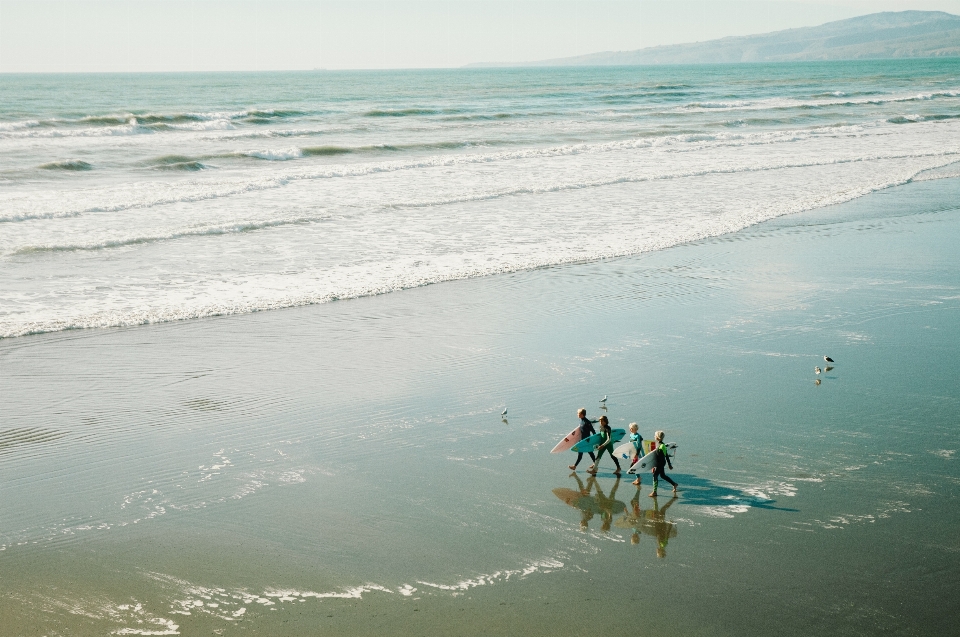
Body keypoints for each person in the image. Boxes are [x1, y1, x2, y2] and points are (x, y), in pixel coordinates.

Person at [648, 430, 678, 497]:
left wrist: (669, 464)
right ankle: (674, 484)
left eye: (655, 435)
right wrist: (653, 466)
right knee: (662, 476)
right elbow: (654, 456)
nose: (654, 436)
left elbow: (666, 455)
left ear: (658, 437)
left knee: (655, 476)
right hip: (658, 463)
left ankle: (654, 492)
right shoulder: (656, 444)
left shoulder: (662, 446)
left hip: (661, 463)